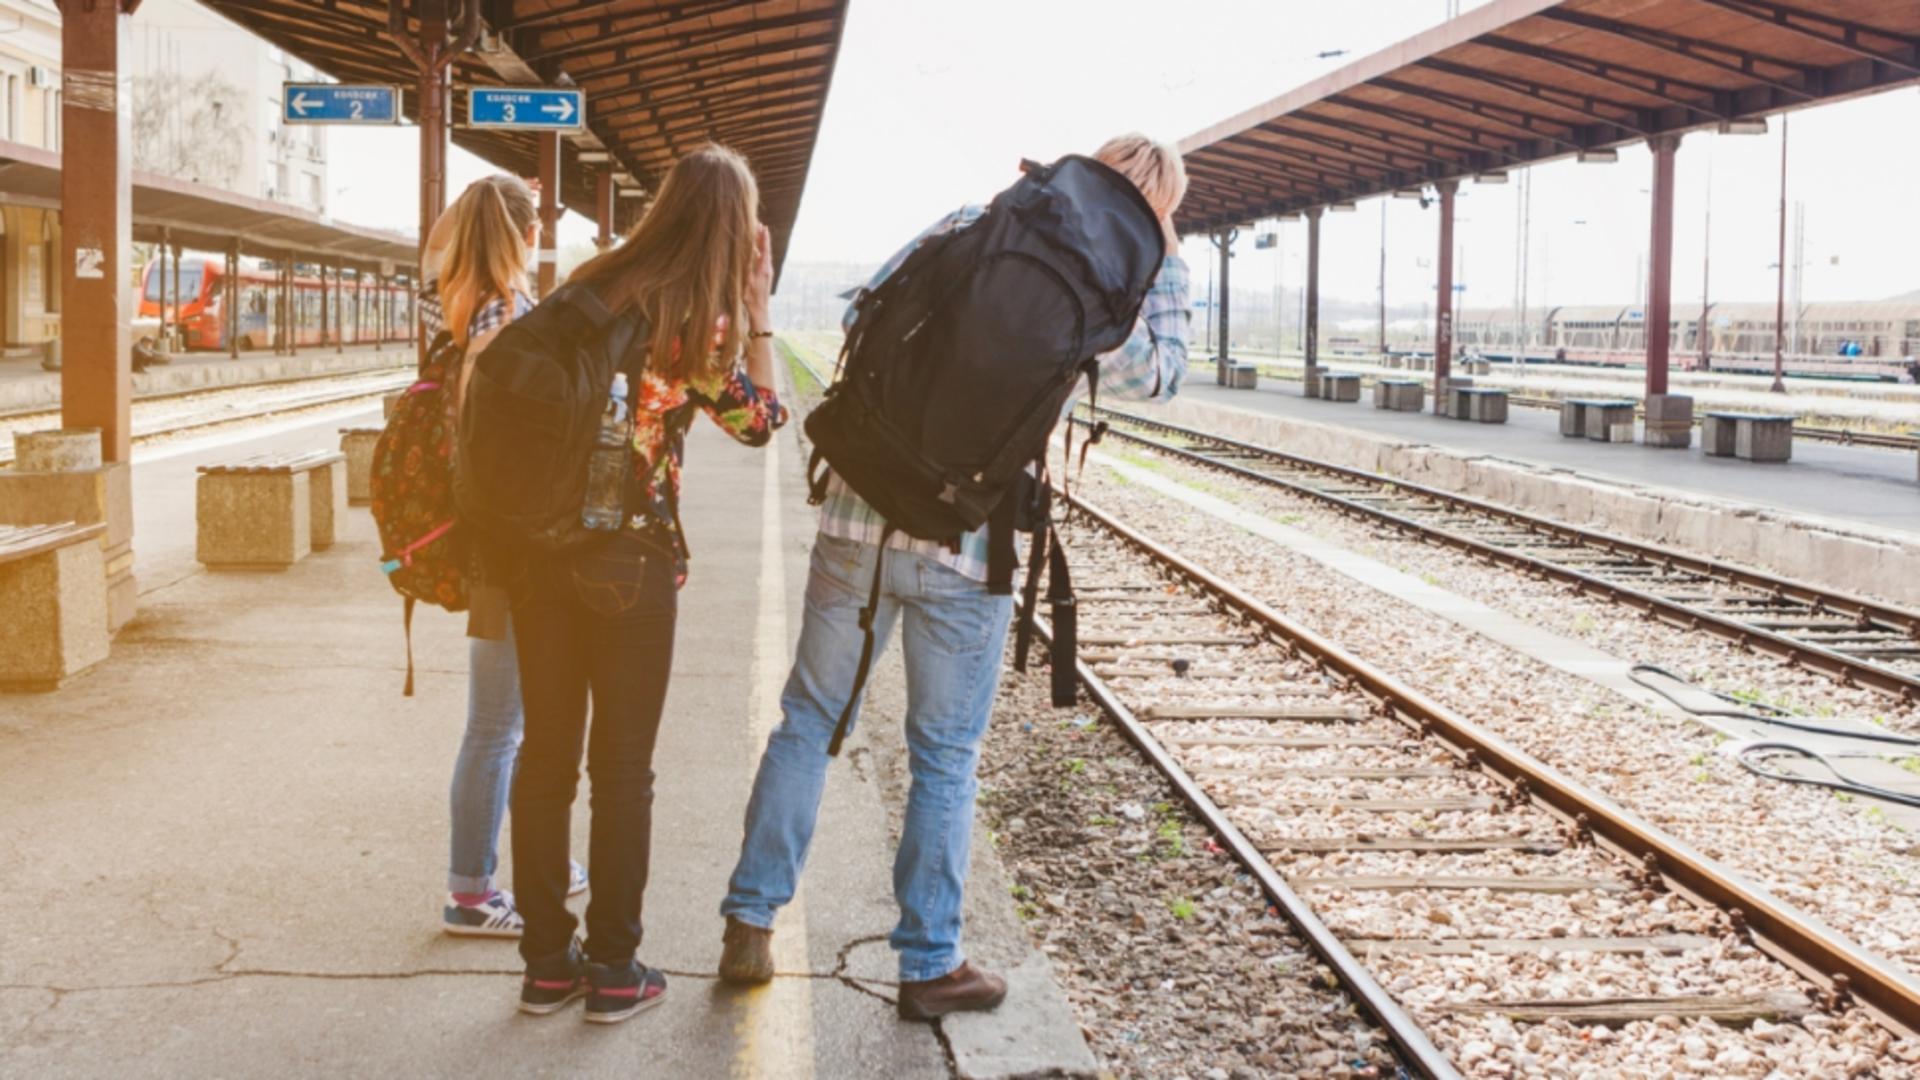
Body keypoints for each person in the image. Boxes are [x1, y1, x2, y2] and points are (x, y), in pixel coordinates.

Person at [719, 133, 1192, 1019]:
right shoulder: (1128, 281)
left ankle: (749, 921)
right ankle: (929, 963)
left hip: (858, 511)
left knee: (810, 720)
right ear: (1160, 209)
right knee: (943, 756)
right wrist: (1164, 269)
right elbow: (1160, 381)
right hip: (965, 542)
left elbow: (868, 305)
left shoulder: (983, 219)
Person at [508, 144, 787, 1023]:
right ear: (735, 233)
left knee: (545, 758)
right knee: (622, 771)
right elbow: (762, 423)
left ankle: (547, 965)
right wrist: (758, 312)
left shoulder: (590, 283)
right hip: (629, 565)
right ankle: (616, 970)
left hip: (537, 553)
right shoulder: (694, 320)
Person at [419, 175, 588, 938]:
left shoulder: (463, 307)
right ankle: (470, 893)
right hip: (512, 543)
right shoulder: (513, 317)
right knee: (496, 723)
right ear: (526, 237)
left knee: (509, 719)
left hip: (490, 533)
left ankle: (533, 863)